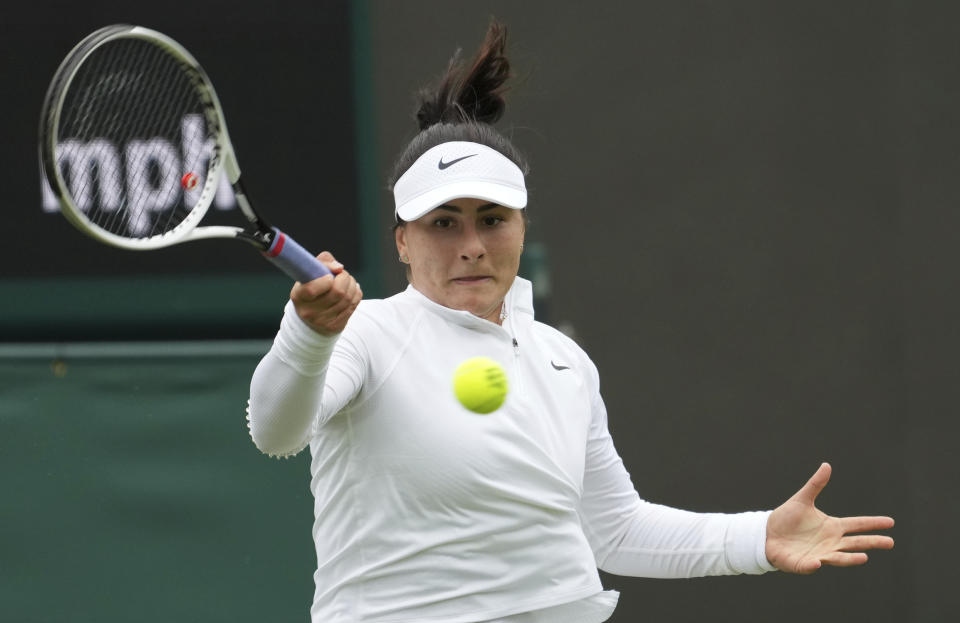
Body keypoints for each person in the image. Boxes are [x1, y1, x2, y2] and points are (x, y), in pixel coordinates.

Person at [247, 20, 894, 623]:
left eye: (491, 218)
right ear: (402, 242)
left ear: (522, 227)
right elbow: (276, 432)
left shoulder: (564, 361)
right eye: (444, 222)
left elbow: (613, 528)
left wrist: (758, 536)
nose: (471, 243)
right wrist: (310, 333)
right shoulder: (367, 334)